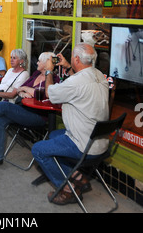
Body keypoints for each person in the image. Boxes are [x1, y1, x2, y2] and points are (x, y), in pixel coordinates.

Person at [31, 43, 109, 206]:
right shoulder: (99, 75)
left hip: (83, 145)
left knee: (38, 149)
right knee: (53, 135)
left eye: (73, 57)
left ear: (77, 59)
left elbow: (50, 93)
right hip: (101, 142)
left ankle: (68, 189)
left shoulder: (76, 83)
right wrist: (67, 67)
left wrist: (49, 71)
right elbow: (78, 81)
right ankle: (80, 177)